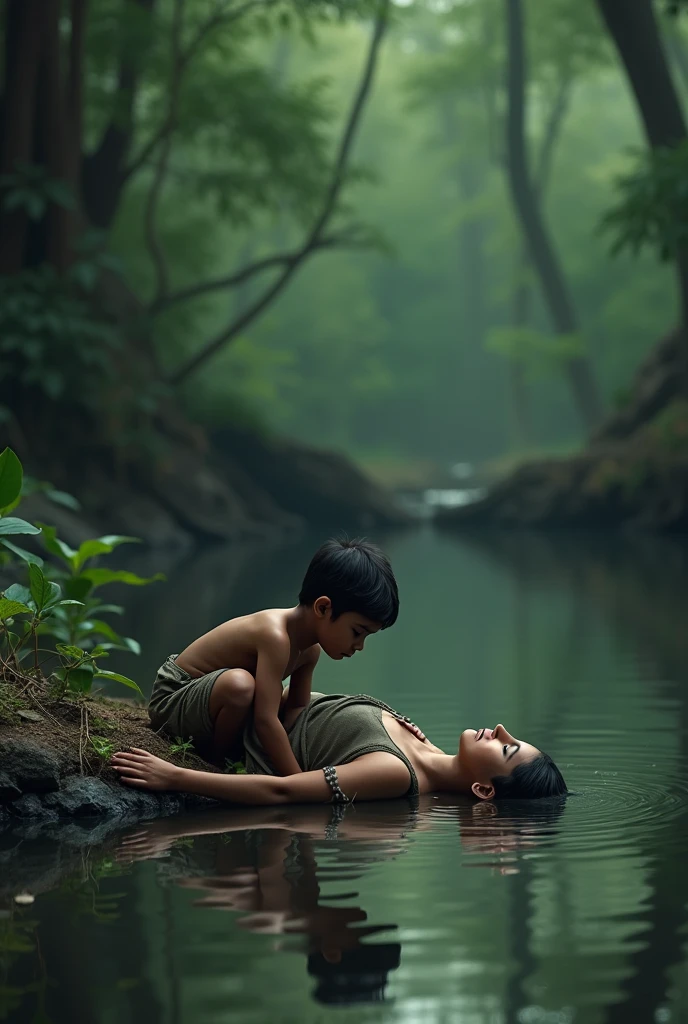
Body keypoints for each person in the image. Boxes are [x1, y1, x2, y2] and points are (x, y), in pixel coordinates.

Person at [147, 538, 399, 774]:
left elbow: (297, 709)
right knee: (241, 685)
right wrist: (298, 781)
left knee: (279, 697)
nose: (360, 646)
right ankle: (216, 762)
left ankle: (236, 754)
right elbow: (265, 722)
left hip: (211, 708)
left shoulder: (310, 651)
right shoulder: (275, 636)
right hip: (174, 696)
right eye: (357, 632)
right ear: (323, 607)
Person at [115, 689, 568, 802]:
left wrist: (174, 776)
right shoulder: (420, 741)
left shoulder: (395, 775)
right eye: (513, 738)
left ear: (485, 791)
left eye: (507, 749)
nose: (502, 729)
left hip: (227, 719)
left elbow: (286, 791)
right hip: (249, 699)